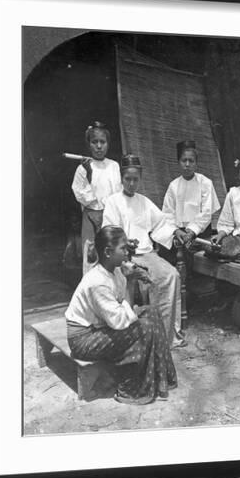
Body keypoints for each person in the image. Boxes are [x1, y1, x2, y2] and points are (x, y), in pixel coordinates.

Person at [66, 225, 177, 404]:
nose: (127, 253)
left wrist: (134, 277)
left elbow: (123, 307)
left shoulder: (115, 271)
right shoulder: (97, 282)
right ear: (109, 252)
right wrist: (131, 282)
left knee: (152, 312)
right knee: (145, 326)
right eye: (123, 248)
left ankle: (160, 379)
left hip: (101, 327)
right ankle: (133, 389)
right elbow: (119, 321)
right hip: (83, 339)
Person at [102, 154, 186, 348]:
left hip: (146, 254)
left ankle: (166, 335)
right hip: (123, 256)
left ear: (140, 179)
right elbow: (109, 233)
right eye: (127, 179)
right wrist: (123, 243)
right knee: (137, 277)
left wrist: (175, 231)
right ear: (121, 179)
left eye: (135, 179)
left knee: (171, 275)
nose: (131, 184)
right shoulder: (113, 202)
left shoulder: (144, 201)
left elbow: (161, 223)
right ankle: (144, 335)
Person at [71, 121, 122, 273]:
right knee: (91, 256)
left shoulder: (113, 166)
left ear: (108, 144)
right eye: (95, 142)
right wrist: (89, 175)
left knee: (111, 255)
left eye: (102, 142)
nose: (99, 146)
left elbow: (118, 193)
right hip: (91, 218)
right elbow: (83, 197)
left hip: (109, 216)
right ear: (89, 144)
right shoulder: (82, 168)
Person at [162, 140, 221, 251]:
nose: (187, 165)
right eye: (184, 160)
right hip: (179, 233)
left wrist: (192, 231)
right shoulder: (173, 186)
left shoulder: (205, 183)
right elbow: (168, 214)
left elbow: (207, 213)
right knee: (166, 249)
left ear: (196, 163)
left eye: (191, 161)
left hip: (200, 233)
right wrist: (176, 231)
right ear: (179, 162)